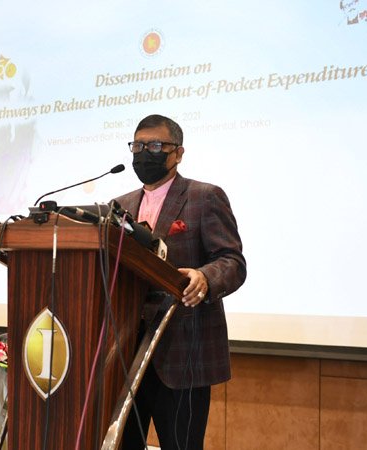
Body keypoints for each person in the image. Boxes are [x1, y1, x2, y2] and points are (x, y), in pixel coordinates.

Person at [114, 115, 246, 449]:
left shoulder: (205, 196)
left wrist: (204, 276)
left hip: (182, 352)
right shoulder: (120, 207)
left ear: (179, 153)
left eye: (156, 145)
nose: (145, 153)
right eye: (138, 146)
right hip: (126, 353)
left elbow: (232, 261)